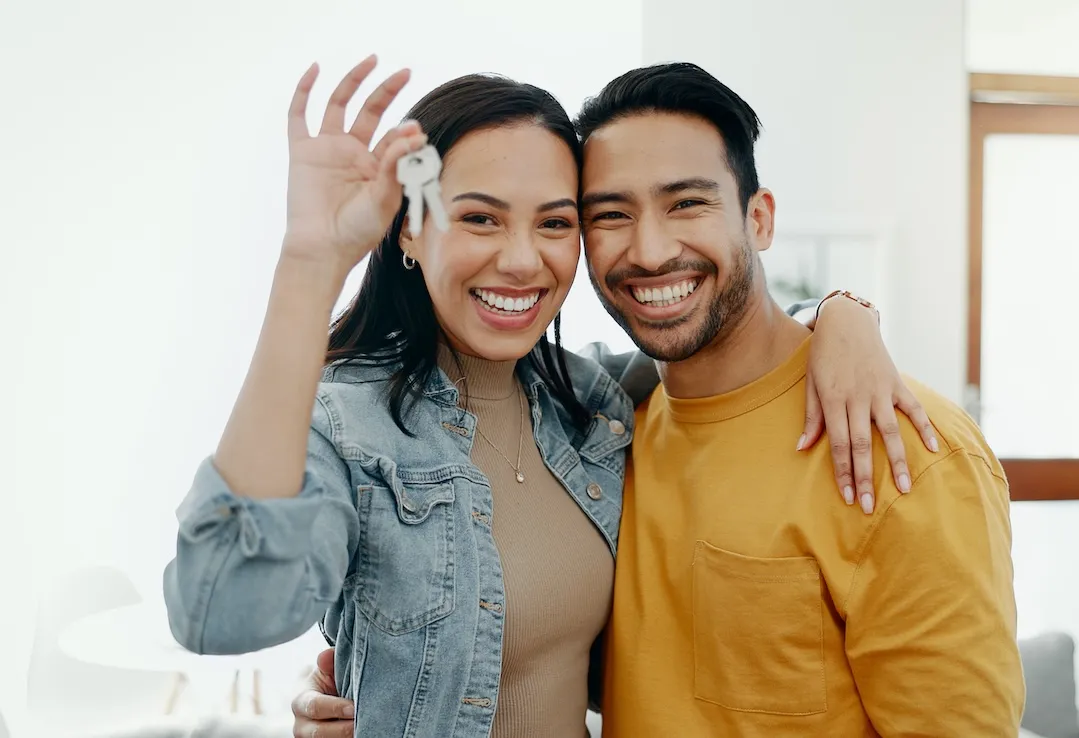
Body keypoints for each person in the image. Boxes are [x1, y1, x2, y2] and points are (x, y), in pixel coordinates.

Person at [163, 56, 932, 738]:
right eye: (478, 218)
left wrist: (841, 316)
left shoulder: (592, 404)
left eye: (556, 222)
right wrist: (310, 261)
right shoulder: (349, 425)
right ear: (407, 231)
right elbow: (222, 611)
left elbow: (721, 346)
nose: (522, 260)